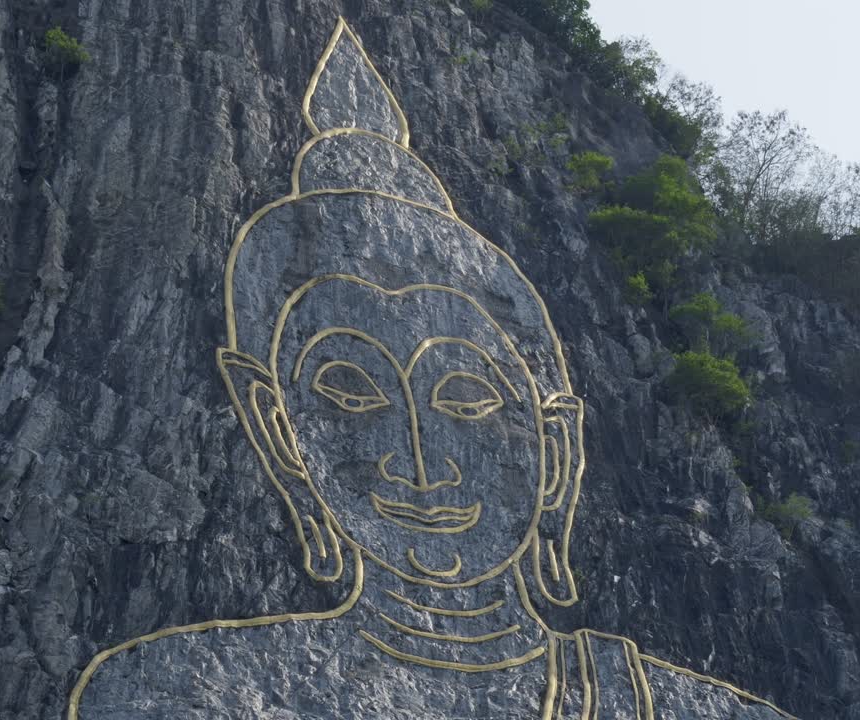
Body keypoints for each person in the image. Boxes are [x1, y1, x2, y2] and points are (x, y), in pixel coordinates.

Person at [68, 18, 794, 720]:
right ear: (277, 427)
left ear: (558, 449)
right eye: (351, 392)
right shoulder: (182, 693)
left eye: (469, 397)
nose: (420, 462)